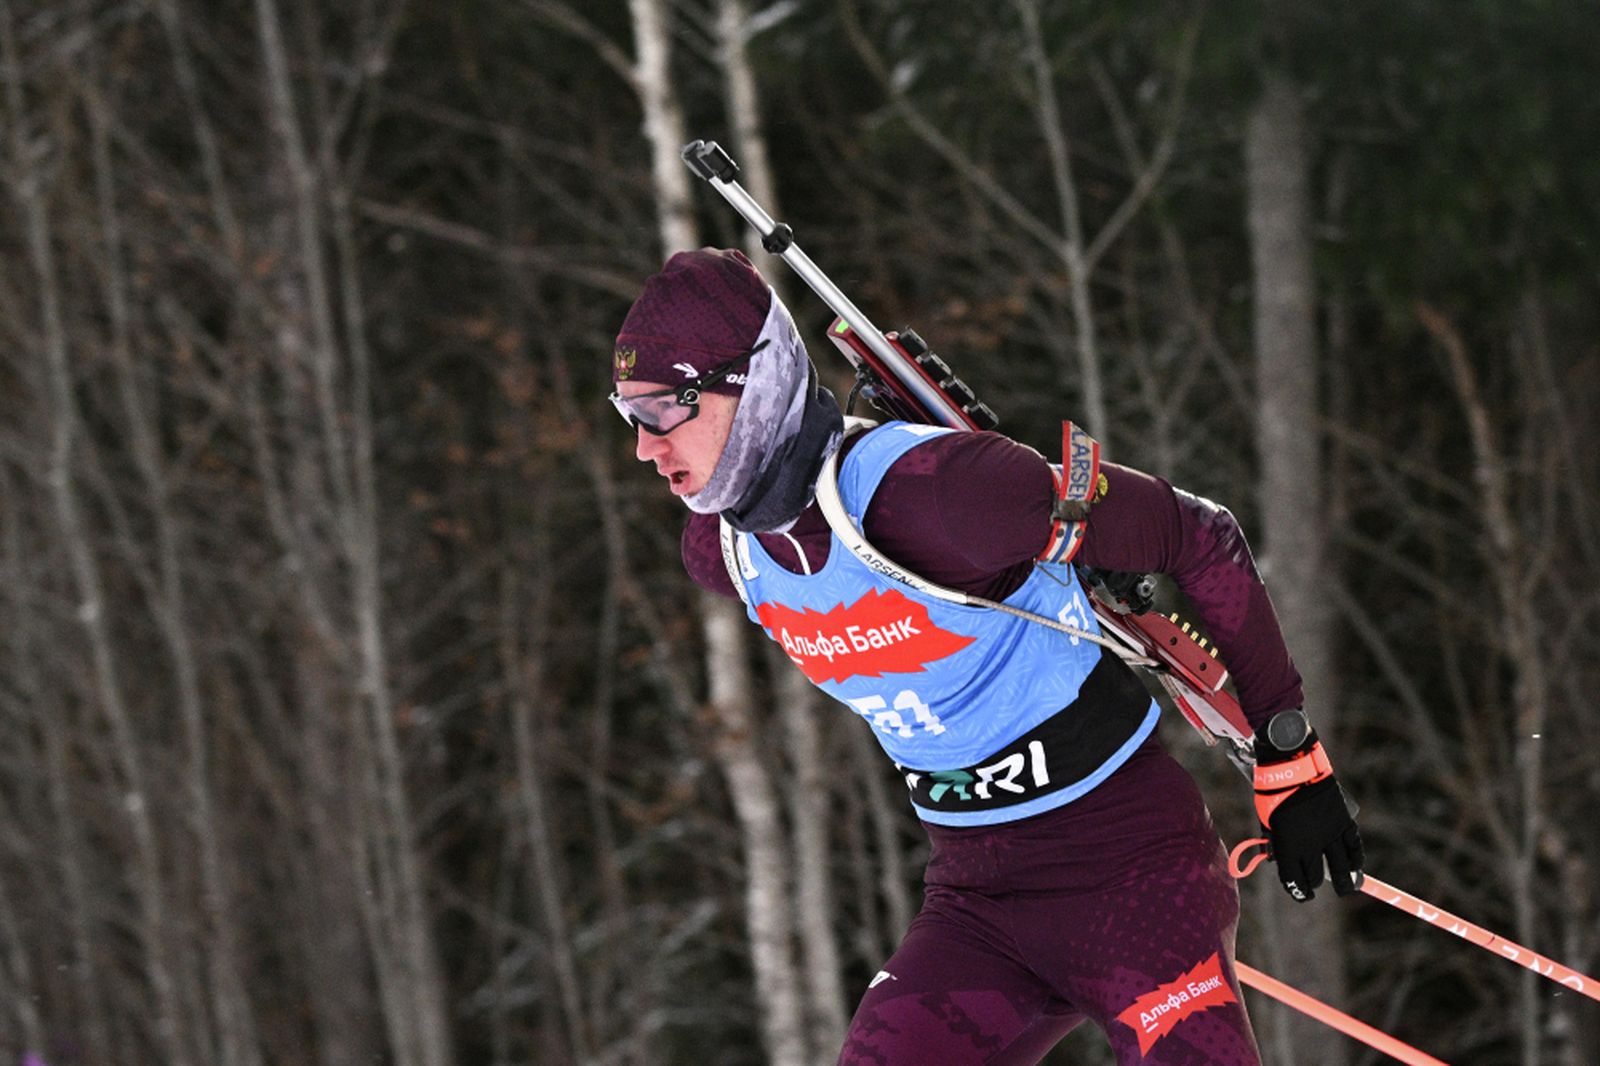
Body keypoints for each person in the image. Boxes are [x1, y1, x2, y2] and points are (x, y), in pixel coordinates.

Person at [609, 248, 1364, 1065]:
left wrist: (1290, 756)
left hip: (1131, 876)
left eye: (660, 412)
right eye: (627, 415)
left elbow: (1200, 535)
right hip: (977, 904)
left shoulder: (936, 495)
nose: (646, 449)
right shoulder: (722, 553)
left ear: (749, 382)